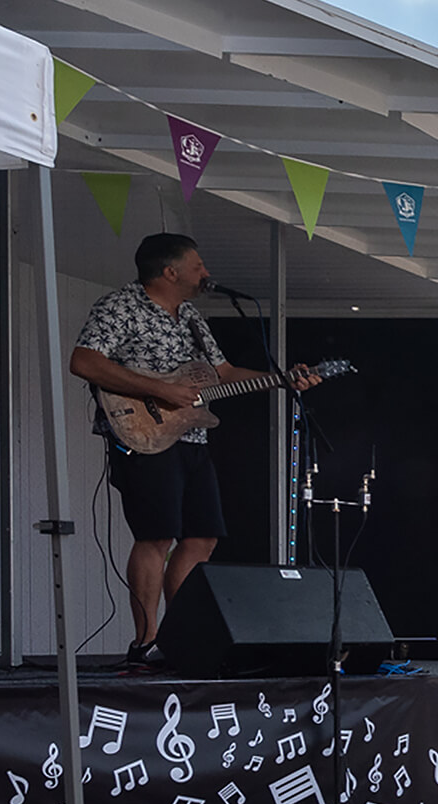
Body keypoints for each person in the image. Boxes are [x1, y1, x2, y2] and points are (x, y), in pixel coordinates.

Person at [69, 233, 324, 664]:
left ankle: (177, 637)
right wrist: (158, 389)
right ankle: (145, 641)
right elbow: (84, 361)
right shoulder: (120, 306)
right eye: (198, 265)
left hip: (192, 436)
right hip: (142, 436)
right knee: (156, 535)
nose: (206, 273)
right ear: (170, 271)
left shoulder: (190, 316)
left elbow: (221, 372)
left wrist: (283, 378)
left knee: (203, 537)